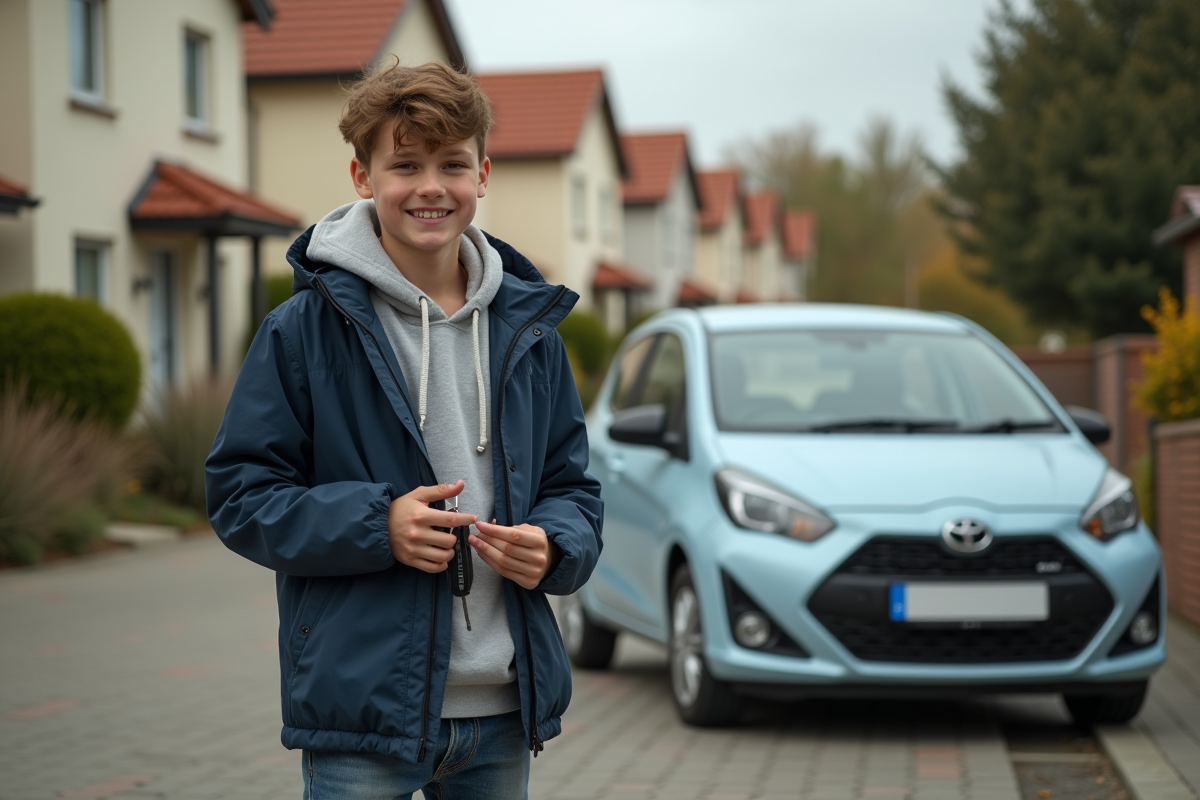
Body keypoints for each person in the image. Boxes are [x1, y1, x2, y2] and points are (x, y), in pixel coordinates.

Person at [205, 61, 603, 799]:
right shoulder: (302, 331)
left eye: (452, 163)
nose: (430, 187)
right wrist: (375, 525)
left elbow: (572, 489)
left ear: (482, 174)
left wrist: (554, 546)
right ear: (362, 176)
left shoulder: (534, 335)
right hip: (365, 715)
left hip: (504, 711)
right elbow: (240, 493)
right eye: (405, 164)